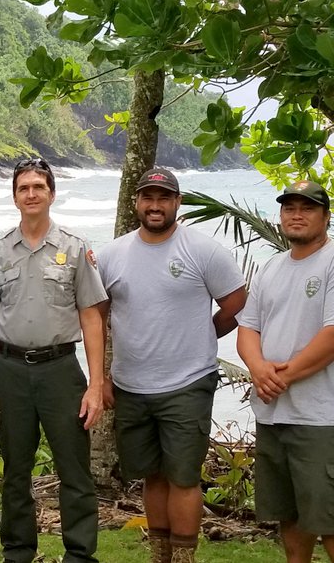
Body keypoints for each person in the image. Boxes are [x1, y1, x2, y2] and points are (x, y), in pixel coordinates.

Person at [96, 168, 246, 563]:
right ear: (136, 203)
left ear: (177, 203)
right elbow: (97, 317)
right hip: (131, 384)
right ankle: (160, 554)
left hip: (187, 382)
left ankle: (184, 557)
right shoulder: (112, 255)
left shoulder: (203, 250)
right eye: (148, 197)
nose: (156, 205)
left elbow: (235, 304)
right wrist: (101, 379)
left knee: (183, 477)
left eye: (164, 198)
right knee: (152, 475)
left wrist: (203, 335)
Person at [0, 158, 106, 563]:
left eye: (38, 186)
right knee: (16, 471)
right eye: (23, 188)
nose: (31, 194)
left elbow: (91, 317)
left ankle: (80, 554)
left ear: (51, 193)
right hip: (11, 371)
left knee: (74, 469)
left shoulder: (73, 247)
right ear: (14, 196)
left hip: (60, 371)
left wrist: (96, 384)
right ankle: (17, 551)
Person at [237, 180, 334, 563]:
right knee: (290, 515)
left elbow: (332, 335)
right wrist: (258, 369)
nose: (297, 214)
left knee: (328, 517)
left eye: (307, 207)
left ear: (325, 216)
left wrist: (281, 377)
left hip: (320, 416)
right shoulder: (272, 266)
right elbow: (248, 328)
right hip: (274, 414)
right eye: (289, 207)